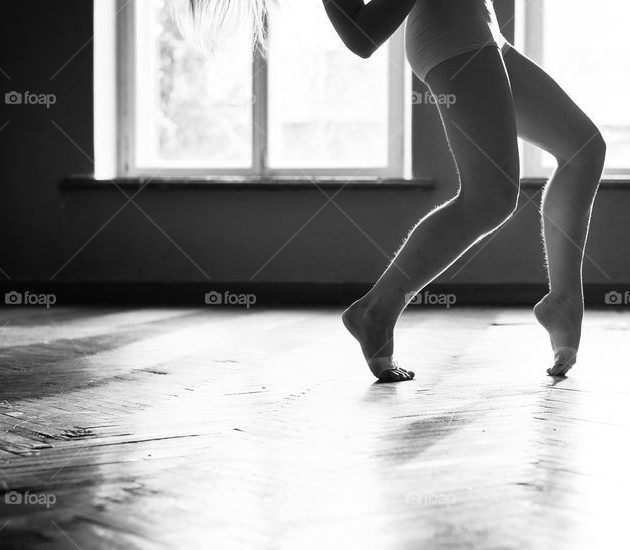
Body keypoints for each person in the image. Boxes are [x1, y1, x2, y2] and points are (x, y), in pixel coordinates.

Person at [180, 0, 606, 383]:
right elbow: (362, 36)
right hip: (455, 38)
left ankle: (563, 302)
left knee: (583, 150)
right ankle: (376, 310)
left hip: (480, 28)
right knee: (490, 197)